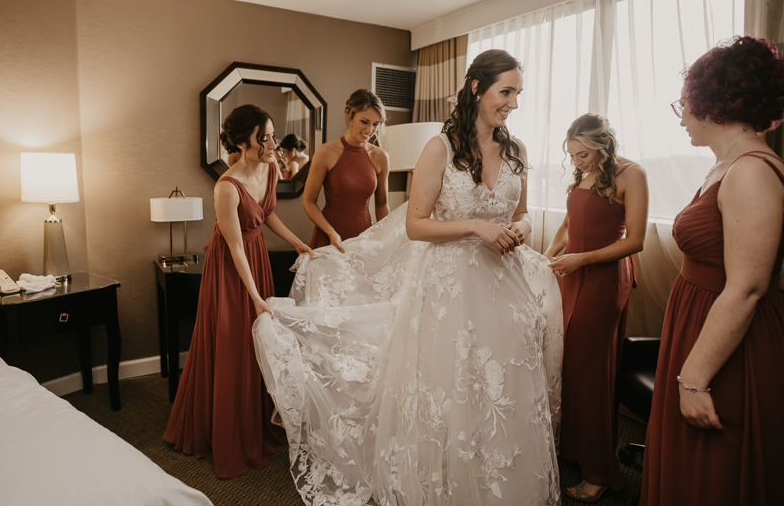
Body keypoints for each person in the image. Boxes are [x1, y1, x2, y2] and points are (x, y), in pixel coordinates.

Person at [253, 49, 563, 505]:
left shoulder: (516, 151)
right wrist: (476, 226)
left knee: (503, 386)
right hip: (450, 286)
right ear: (476, 88)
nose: (514, 103)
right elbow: (416, 224)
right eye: (507, 91)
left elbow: (523, 214)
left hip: (505, 286)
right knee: (453, 387)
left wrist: (519, 228)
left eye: (518, 93)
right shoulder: (441, 148)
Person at [641, 36, 784, 505]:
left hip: (729, 347)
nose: (681, 116)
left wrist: (695, 377)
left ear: (713, 101)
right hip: (699, 325)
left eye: (683, 103)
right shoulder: (727, 165)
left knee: (715, 476)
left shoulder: (750, 170)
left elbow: (746, 287)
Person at [164, 104, 313, 479]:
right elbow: (234, 248)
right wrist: (255, 297)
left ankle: (255, 423)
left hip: (256, 256)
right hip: (232, 270)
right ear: (245, 141)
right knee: (233, 342)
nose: (272, 144)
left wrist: (297, 242)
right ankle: (225, 432)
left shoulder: (272, 167)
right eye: (264, 138)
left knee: (258, 344)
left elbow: (266, 214)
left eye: (272, 136)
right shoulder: (226, 187)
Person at [544, 114, 648, 502]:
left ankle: (601, 471)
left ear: (603, 145)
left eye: (583, 154)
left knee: (590, 374)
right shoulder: (584, 175)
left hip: (604, 277)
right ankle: (575, 449)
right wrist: (550, 254)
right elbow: (570, 224)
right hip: (576, 270)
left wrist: (580, 260)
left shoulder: (631, 175)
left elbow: (635, 240)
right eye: (572, 155)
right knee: (568, 364)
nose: (577, 162)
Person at [303, 89, 390, 251]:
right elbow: (308, 201)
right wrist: (331, 233)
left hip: (363, 236)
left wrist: (386, 237)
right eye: (364, 122)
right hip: (329, 236)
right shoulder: (325, 152)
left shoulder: (381, 157)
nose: (370, 130)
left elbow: (382, 205)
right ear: (350, 116)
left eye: (376, 124)